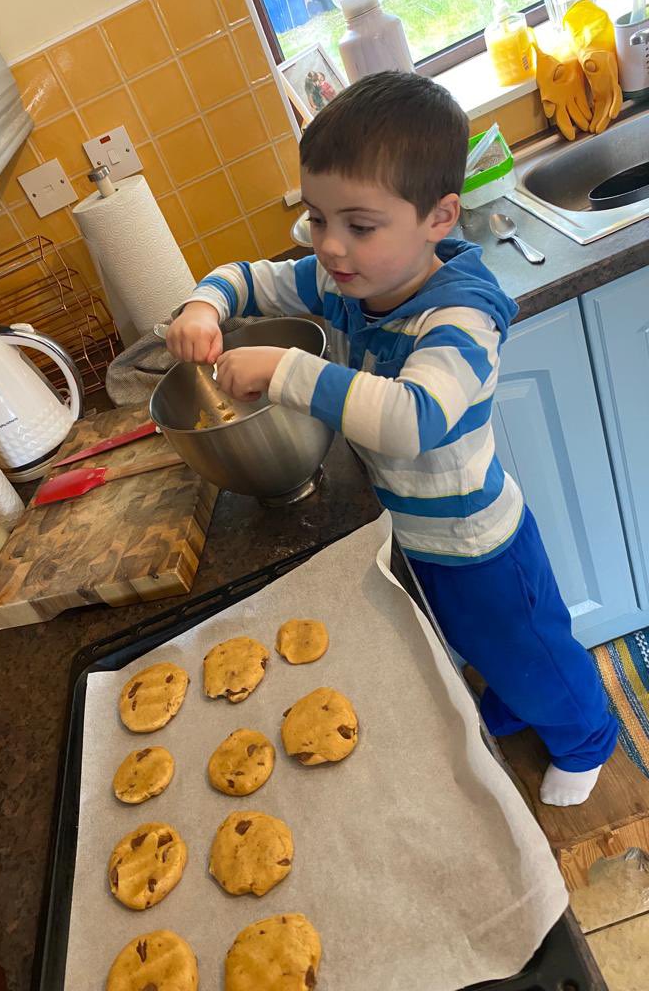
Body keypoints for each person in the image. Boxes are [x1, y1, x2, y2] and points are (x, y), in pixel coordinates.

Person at [166, 71, 617, 807]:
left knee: (534, 652)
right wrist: (202, 305)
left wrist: (284, 370)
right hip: (414, 532)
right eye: (316, 219)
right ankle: (516, 698)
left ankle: (587, 737)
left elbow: (413, 420)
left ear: (439, 217)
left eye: (359, 225)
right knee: (479, 646)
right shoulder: (345, 280)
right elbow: (247, 278)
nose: (330, 246)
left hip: (479, 544)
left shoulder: (461, 316)